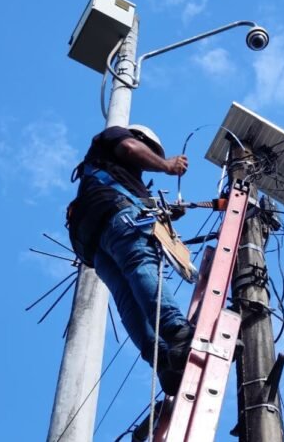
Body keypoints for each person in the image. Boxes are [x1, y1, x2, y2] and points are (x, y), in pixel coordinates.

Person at [66, 124, 193, 395]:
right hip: (115, 216)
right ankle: (177, 333)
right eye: (151, 153)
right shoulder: (115, 136)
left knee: (127, 297)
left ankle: (162, 362)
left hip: (93, 243)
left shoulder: (115, 174)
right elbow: (129, 148)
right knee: (140, 265)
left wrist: (167, 215)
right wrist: (167, 166)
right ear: (141, 139)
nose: (149, 162)